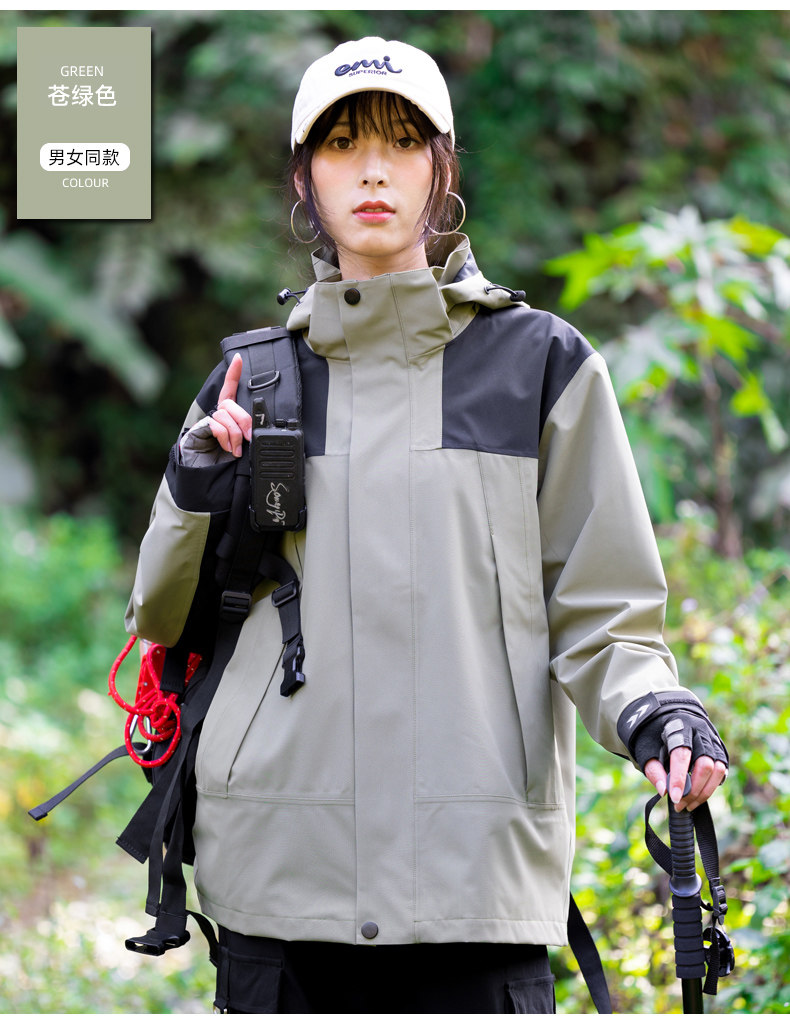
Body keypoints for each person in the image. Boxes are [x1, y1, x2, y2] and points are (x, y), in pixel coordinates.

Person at [126, 37, 729, 1014]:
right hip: (280, 876)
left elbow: (604, 611)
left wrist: (656, 710)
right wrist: (197, 482)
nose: (373, 169)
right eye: (342, 144)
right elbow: (163, 618)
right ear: (305, 177)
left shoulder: (540, 366)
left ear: (441, 170)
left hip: (474, 879)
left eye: (402, 142)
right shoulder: (251, 382)